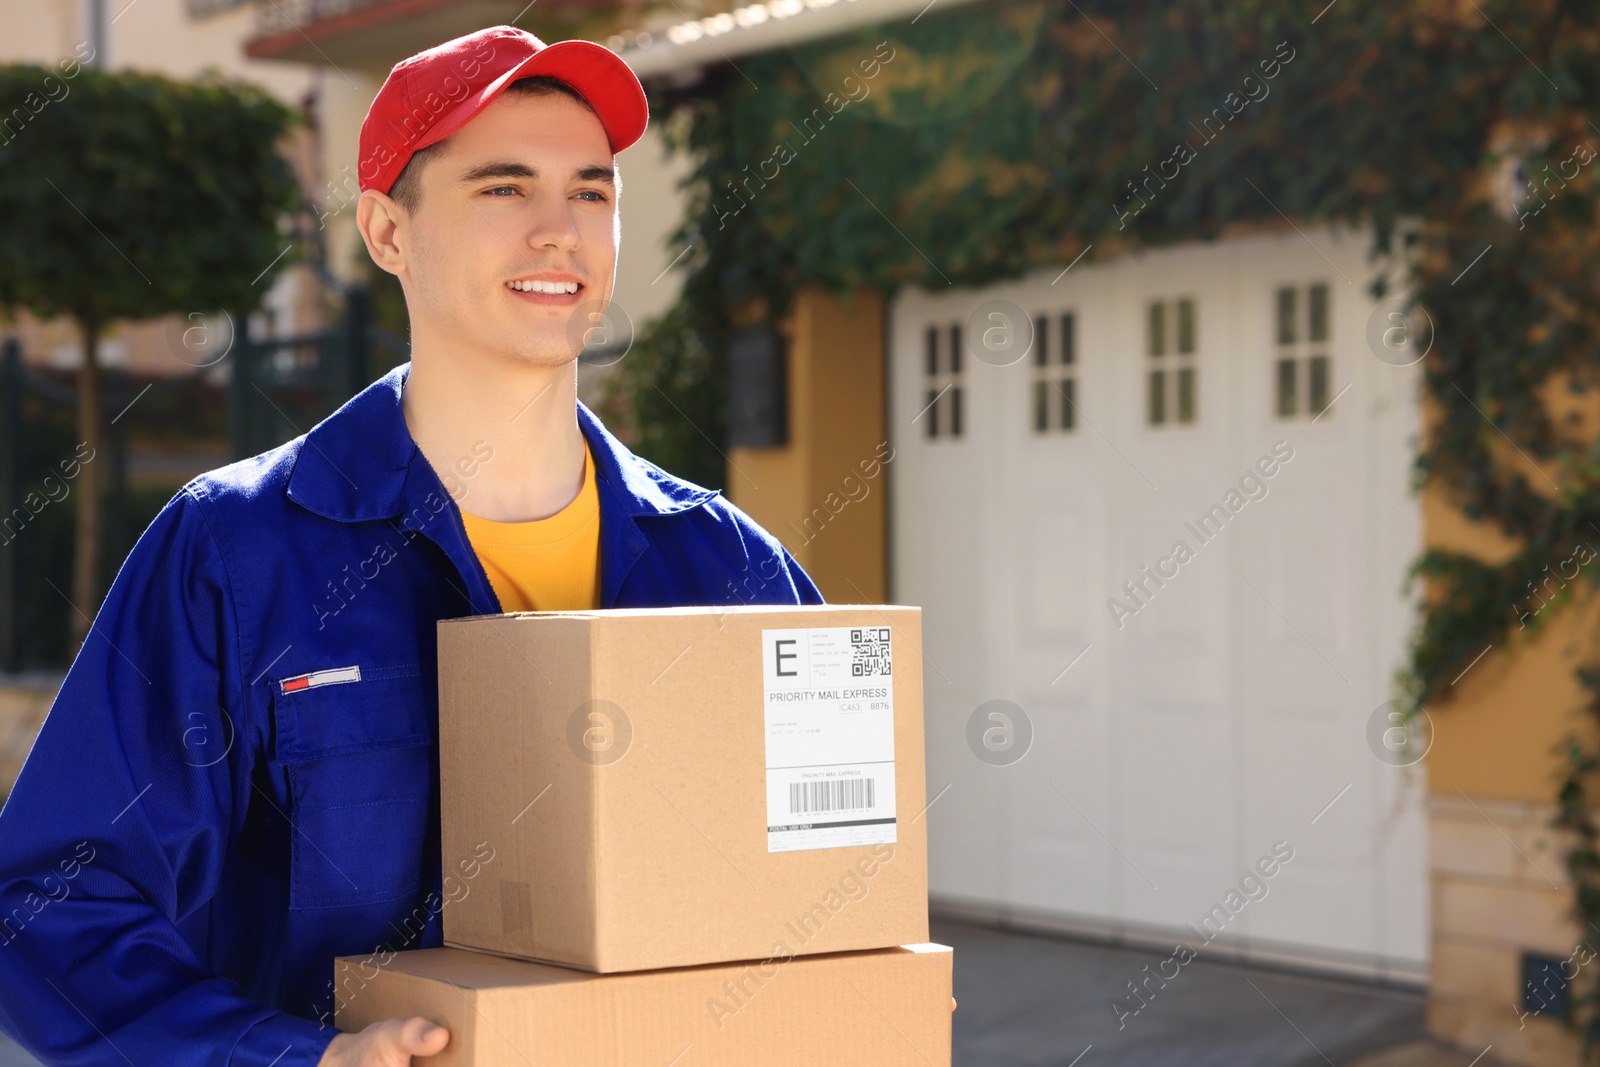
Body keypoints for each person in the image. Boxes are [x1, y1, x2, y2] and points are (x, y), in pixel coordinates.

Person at [0, 25, 824, 1066]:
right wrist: (294, 1056)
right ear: (389, 231)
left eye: (591, 192)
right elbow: (52, 903)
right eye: (503, 188)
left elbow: (821, 880)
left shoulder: (727, 567)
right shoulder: (234, 551)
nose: (558, 232)